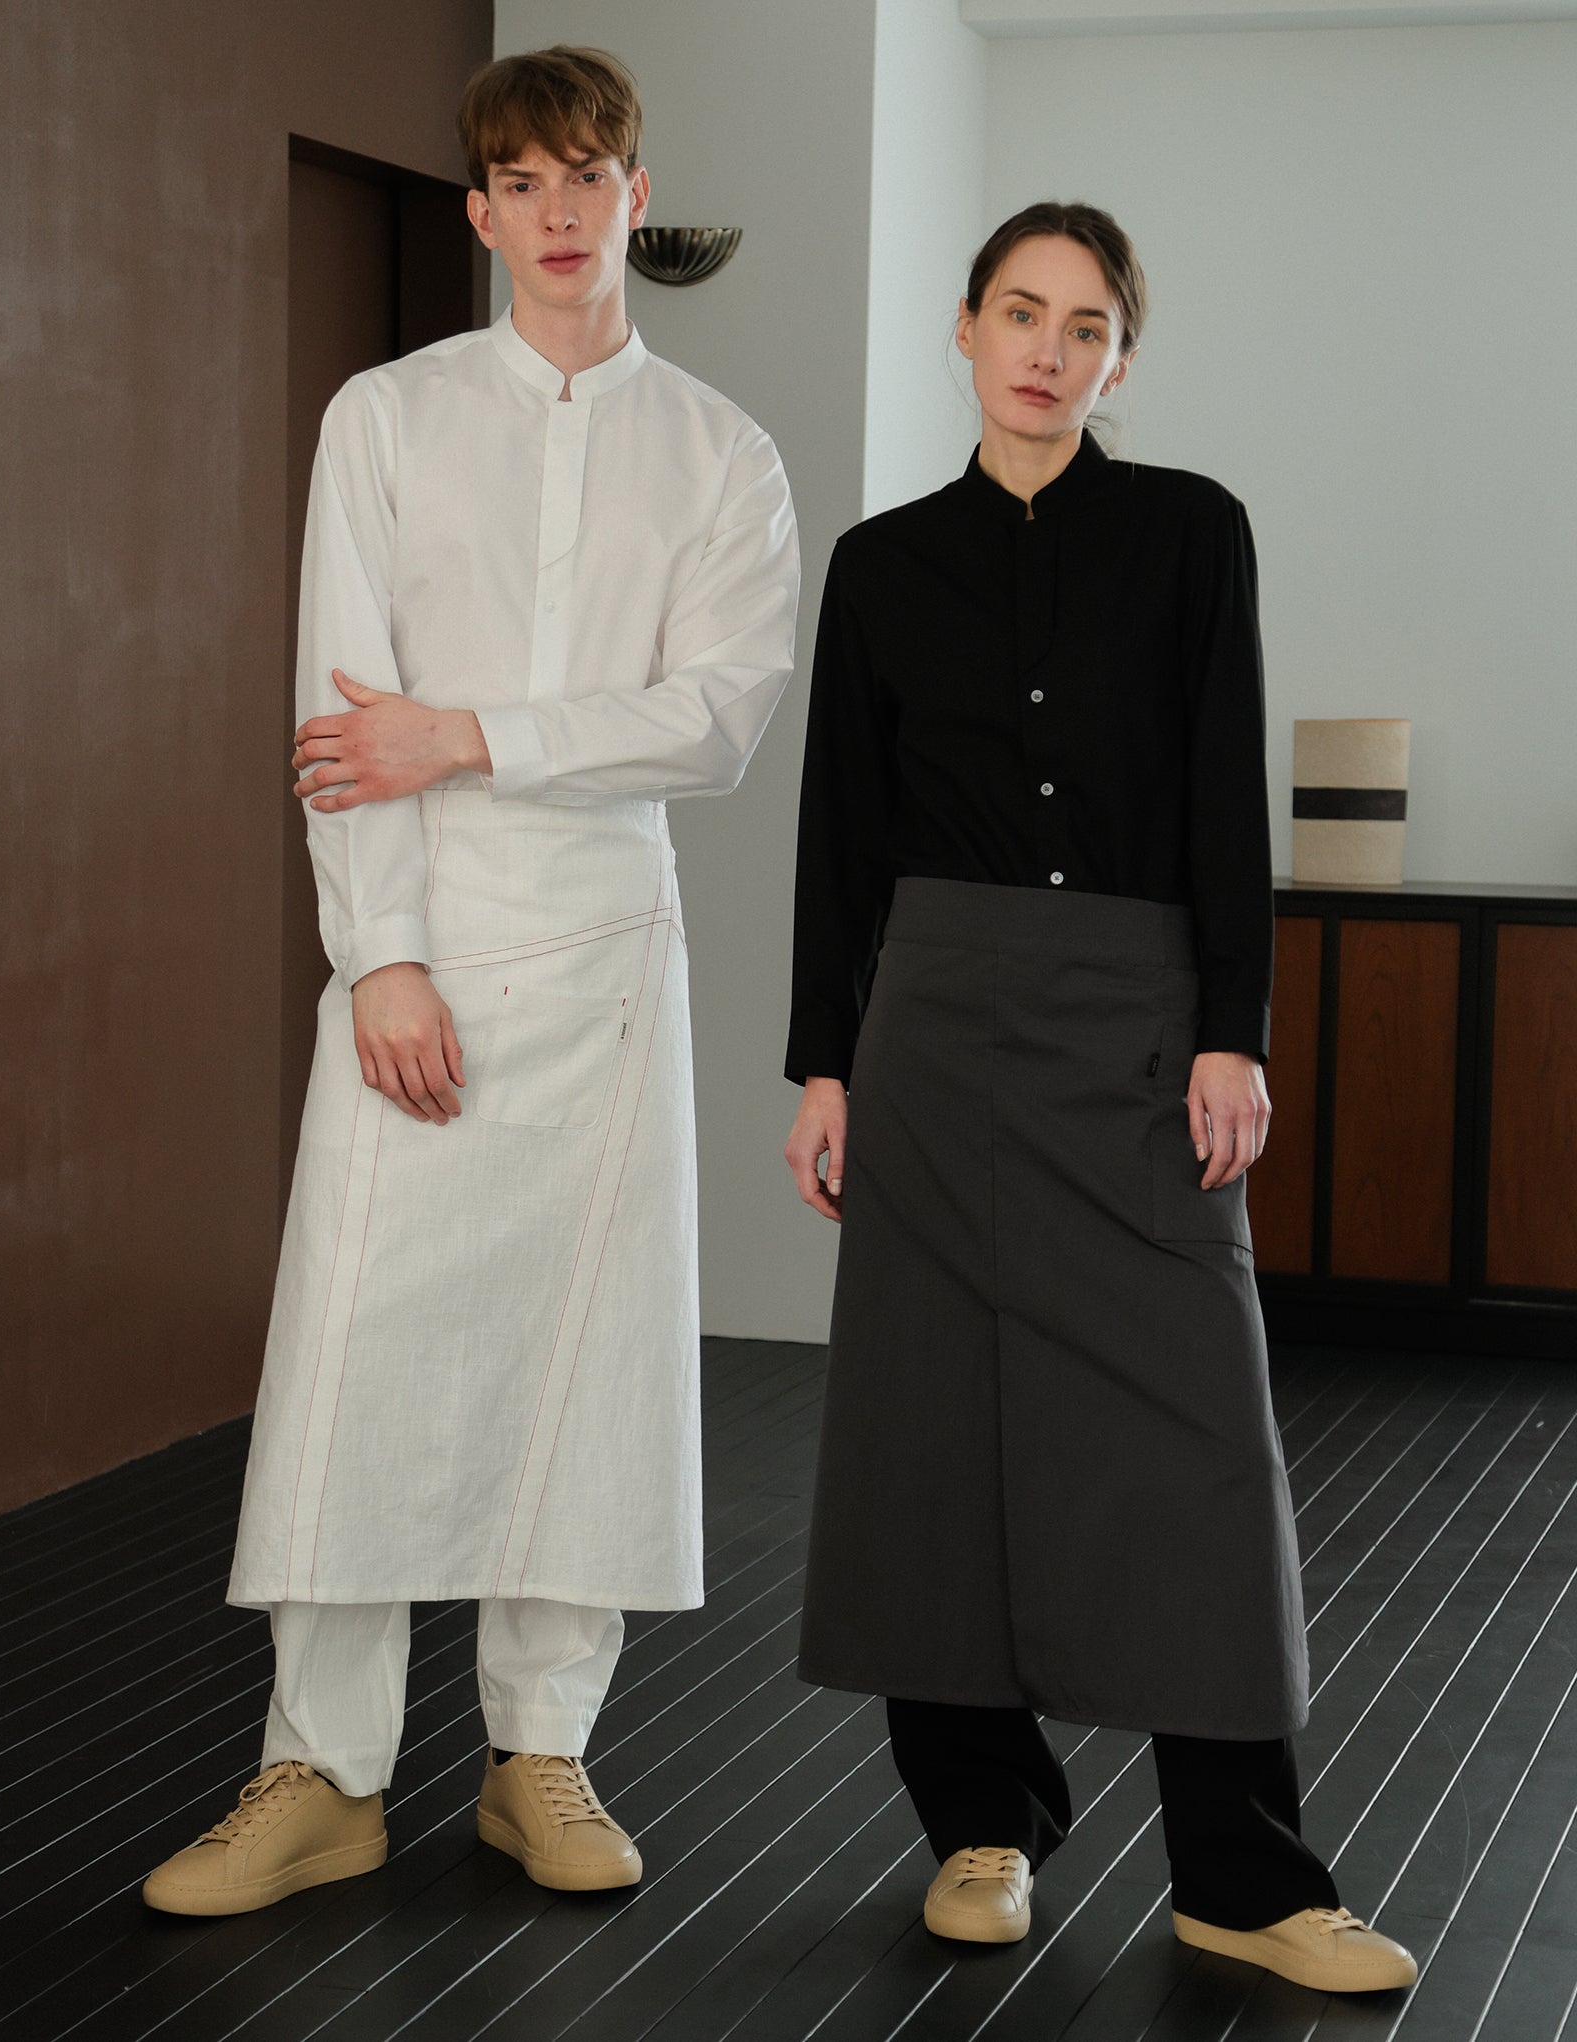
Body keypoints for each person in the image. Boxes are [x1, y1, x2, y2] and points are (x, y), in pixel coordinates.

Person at [143, 45, 798, 1916]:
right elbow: (338, 722)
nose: (561, 211)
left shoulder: (723, 454)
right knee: (353, 1362)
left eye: (592, 177)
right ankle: (320, 1770)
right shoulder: (388, 417)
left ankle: (543, 1756)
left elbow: (715, 720)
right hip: (420, 950)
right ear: (482, 212)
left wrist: (473, 734)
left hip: (605, 964)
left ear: (636, 198)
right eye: (525, 181)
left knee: (582, 1368)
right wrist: (383, 959)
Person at [781, 202, 1414, 1994]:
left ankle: (1243, 1872)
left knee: (1199, 1451)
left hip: (1139, 1026)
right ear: (965, 329)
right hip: (935, 1029)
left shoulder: (1194, 533)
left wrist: (1235, 1027)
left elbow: (1226, 788)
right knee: (937, 1435)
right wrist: (824, 1058)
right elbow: (843, 829)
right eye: (1020, 312)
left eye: (1085, 325)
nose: (1048, 351)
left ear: (1123, 354)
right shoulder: (882, 563)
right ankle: (981, 1826)